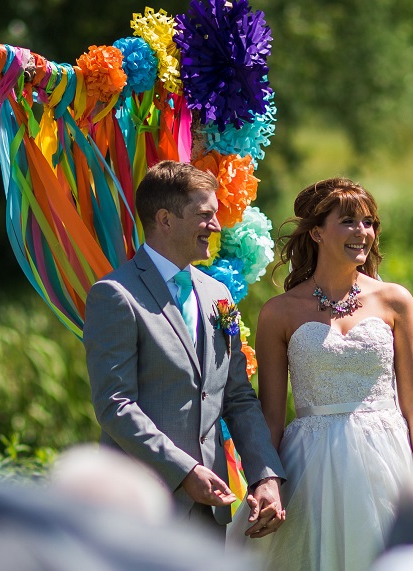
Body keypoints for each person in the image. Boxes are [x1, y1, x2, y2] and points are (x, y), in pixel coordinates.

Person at [233, 177, 413, 569]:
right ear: (316, 232)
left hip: (388, 458)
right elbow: (271, 417)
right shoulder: (278, 313)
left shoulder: (395, 301)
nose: (363, 232)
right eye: (349, 221)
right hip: (310, 467)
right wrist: (265, 481)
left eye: (369, 223)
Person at [83, 160, 286, 539]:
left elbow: (238, 398)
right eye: (204, 214)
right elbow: (115, 404)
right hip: (138, 504)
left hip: (209, 511)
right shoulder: (115, 295)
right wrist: (185, 471)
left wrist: (265, 476)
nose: (216, 226)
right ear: (165, 219)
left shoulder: (217, 294)